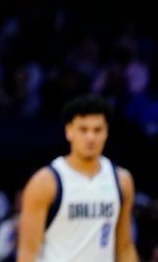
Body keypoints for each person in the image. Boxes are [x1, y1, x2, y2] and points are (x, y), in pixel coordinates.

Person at [16, 94, 139, 261]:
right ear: (69, 131)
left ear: (106, 132)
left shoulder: (122, 180)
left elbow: (124, 247)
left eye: (97, 130)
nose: (90, 137)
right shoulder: (45, 182)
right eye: (83, 129)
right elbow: (27, 254)